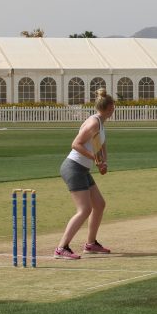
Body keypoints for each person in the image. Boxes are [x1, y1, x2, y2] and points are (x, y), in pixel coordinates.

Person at [54, 88, 115, 259]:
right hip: (73, 167)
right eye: (113, 107)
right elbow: (76, 144)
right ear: (111, 107)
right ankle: (61, 248)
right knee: (84, 209)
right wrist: (96, 159)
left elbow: (102, 144)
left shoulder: (101, 122)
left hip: (82, 168)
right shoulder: (94, 122)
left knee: (99, 204)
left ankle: (90, 244)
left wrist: (103, 162)